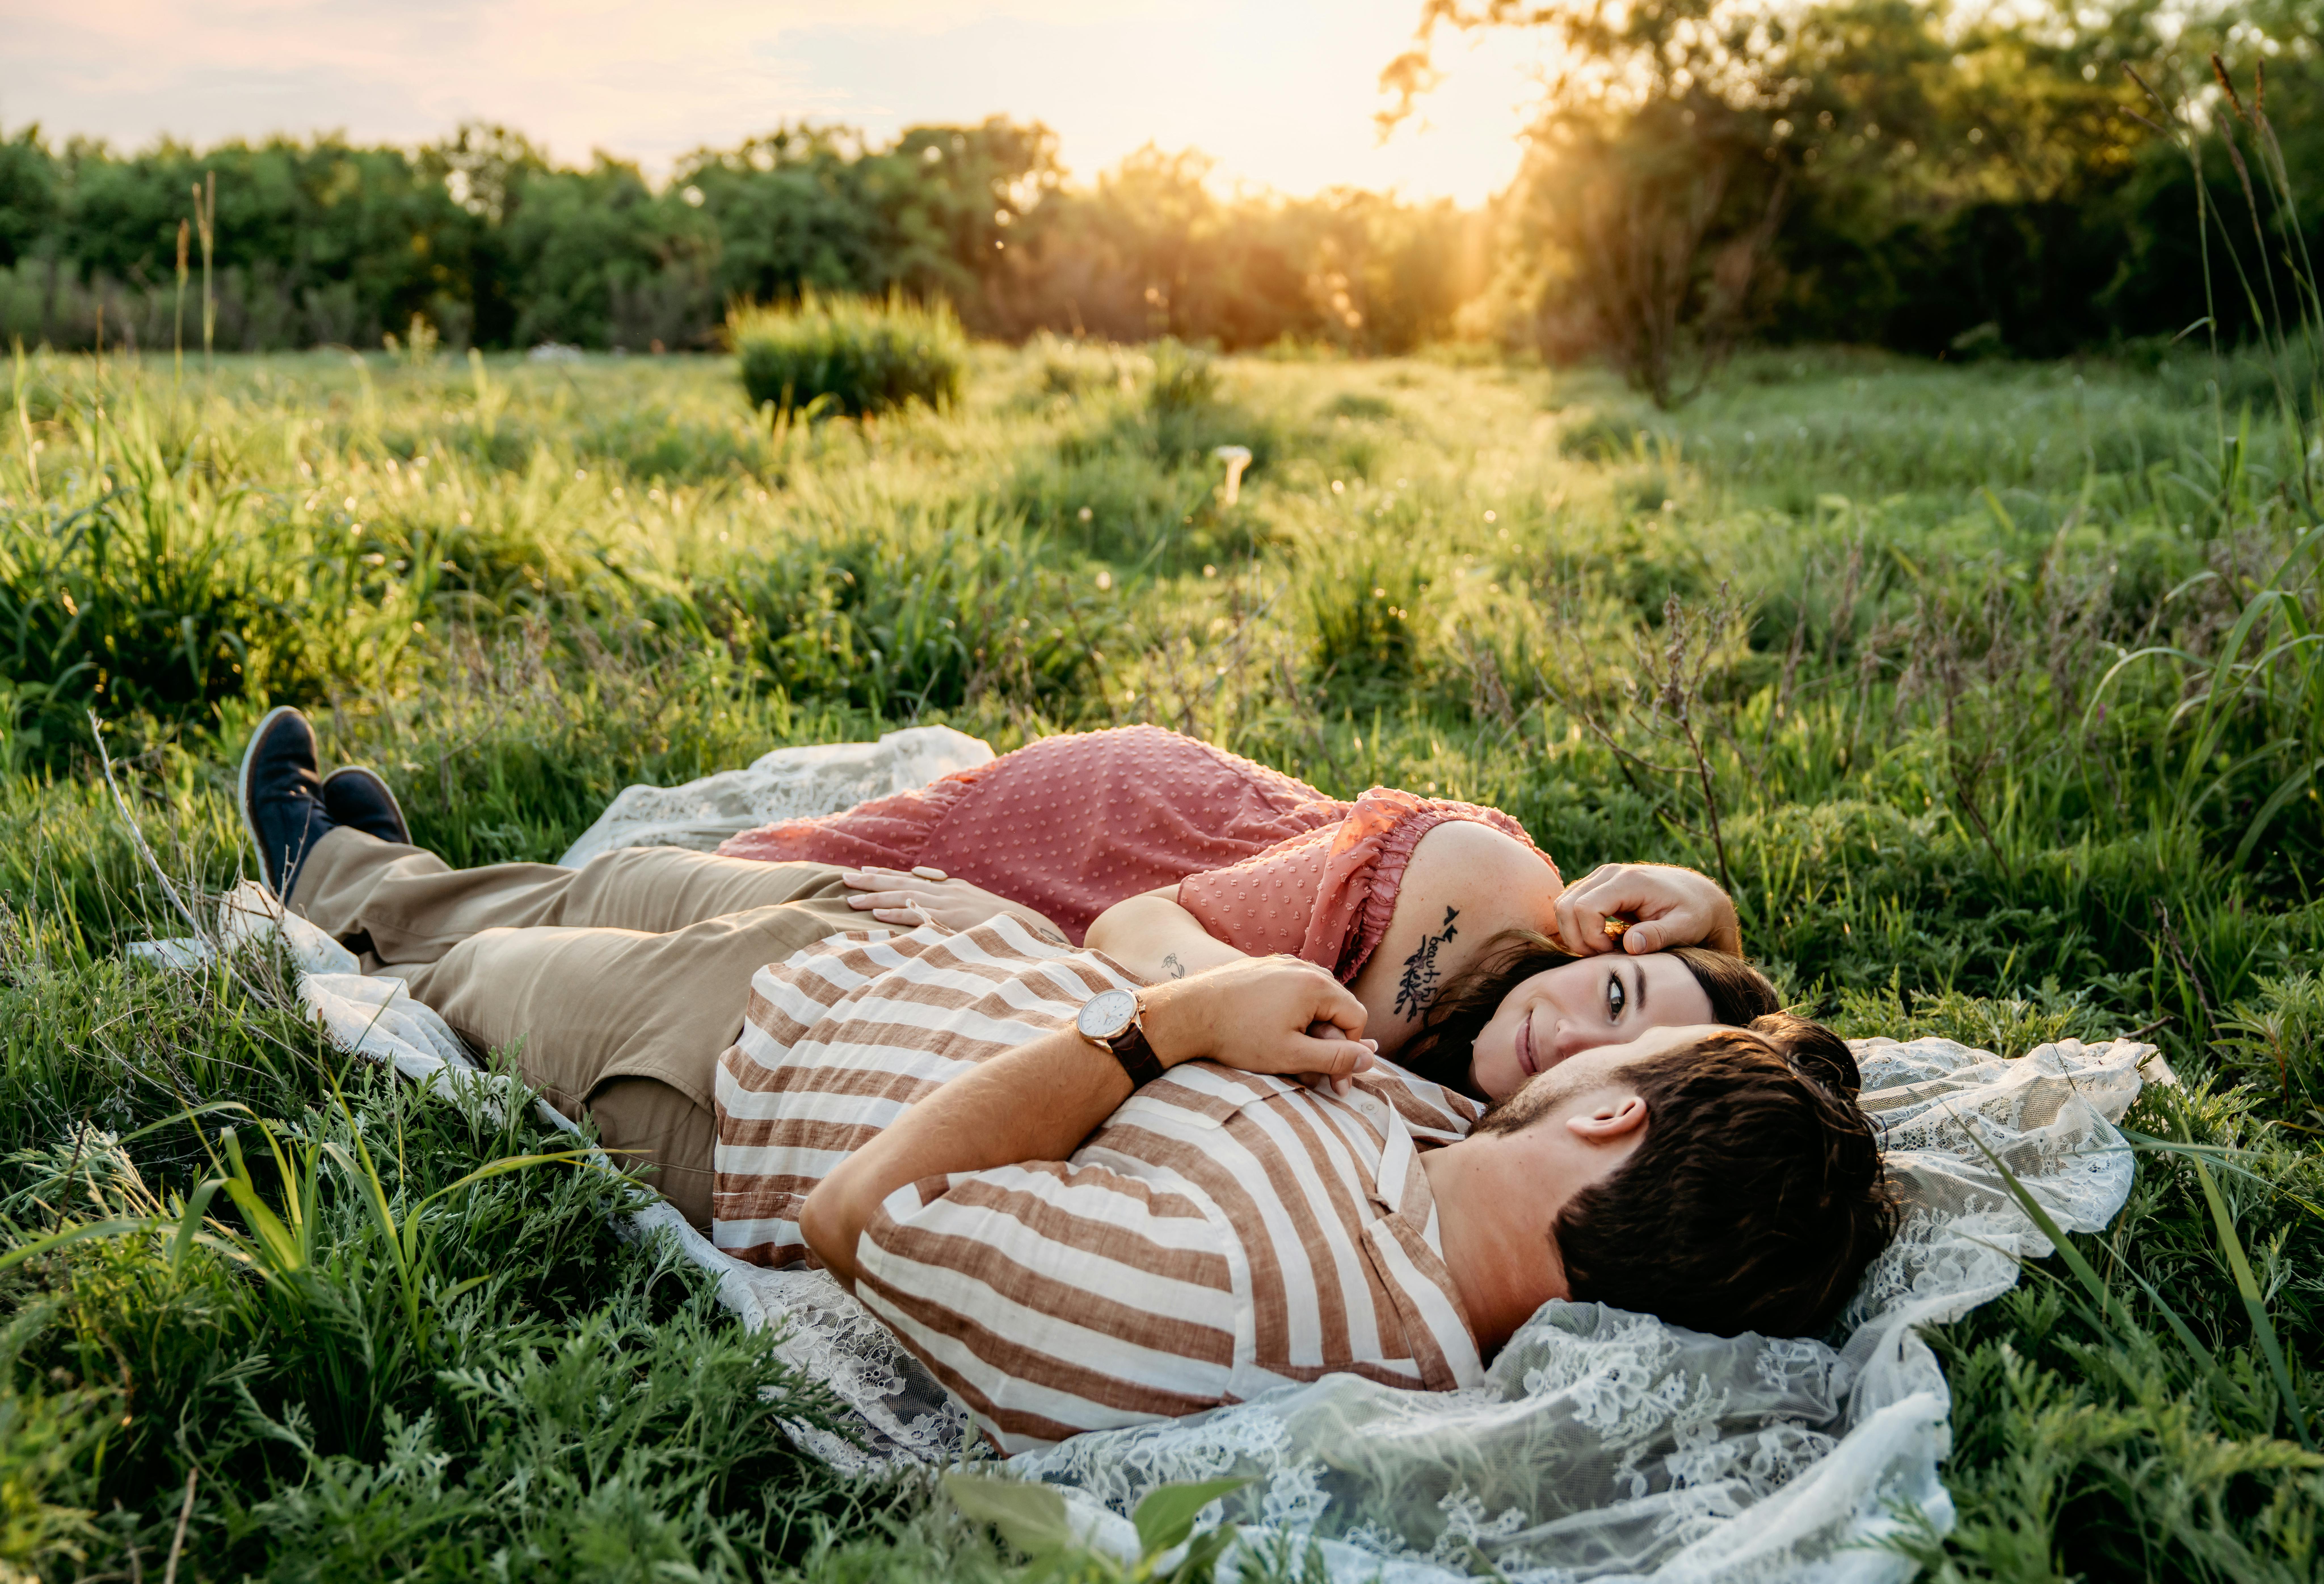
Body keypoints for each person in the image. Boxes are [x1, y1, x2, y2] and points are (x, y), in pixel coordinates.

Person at [238, 708, 1893, 1455]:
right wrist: (1723, 947)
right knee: (593, 884)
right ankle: (410, 863)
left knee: (467, 971)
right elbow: (1671, 1068)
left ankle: (332, 884)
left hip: (744, 1062)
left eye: (1630, 1053)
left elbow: (867, 1213)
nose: (1587, 1038)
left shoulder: (1254, 1305)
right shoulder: (1461, 1170)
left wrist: (1160, 1030)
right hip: (903, 938)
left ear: (1613, 1113)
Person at [719, 725, 1784, 1098]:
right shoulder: (1483, 895)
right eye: (1612, 990)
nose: (1574, 1036)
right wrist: (1015, 931)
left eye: (1626, 1054)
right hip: (1119, 834)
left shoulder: (1523, 1099)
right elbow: (1135, 926)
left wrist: (1726, 937)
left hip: (1128, 955)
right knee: (781, 890)